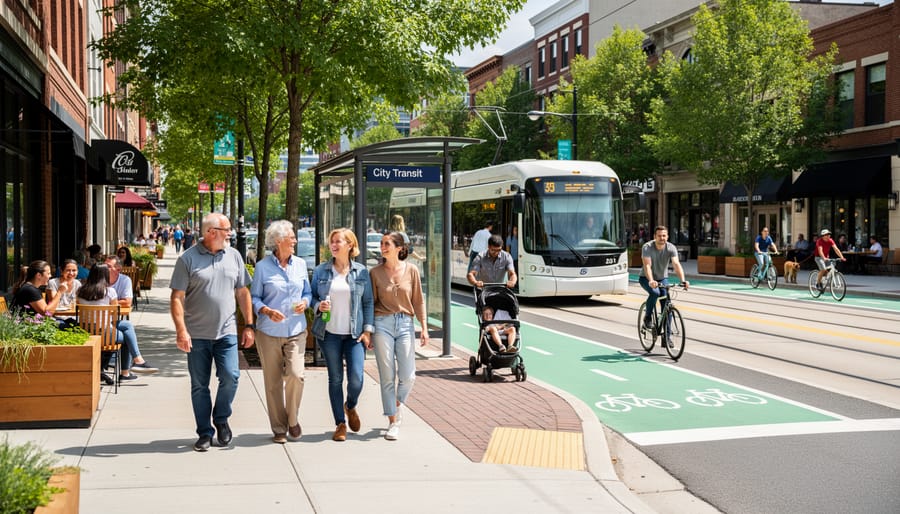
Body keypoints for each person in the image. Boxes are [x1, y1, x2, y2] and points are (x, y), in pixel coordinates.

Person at [170, 213, 255, 452]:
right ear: (211, 232)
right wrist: (181, 331)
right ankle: (204, 433)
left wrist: (249, 325)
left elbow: (242, 292)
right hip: (196, 334)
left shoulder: (234, 255)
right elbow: (177, 298)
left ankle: (221, 418)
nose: (231, 233)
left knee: (231, 376)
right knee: (200, 385)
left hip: (226, 332)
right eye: (226, 229)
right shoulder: (187, 259)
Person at [250, 220, 312, 444]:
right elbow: (254, 297)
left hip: (296, 329)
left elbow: (308, 292)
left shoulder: (301, 265)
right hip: (269, 332)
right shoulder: (262, 267)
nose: (295, 240)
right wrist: (265, 310)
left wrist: (305, 302)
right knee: (273, 381)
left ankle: (293, 420)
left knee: (297, 375)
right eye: (292, 237)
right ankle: (278, 427)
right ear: (278, 241)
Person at [310, 228, 374, 442]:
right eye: (332, 242)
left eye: (339, 241)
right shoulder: (321, 271)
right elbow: (310, 298)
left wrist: (367, 330)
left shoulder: (361, 271)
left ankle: (350, 405)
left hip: (354, 335)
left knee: (356, 377)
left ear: (350, 245)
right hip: (329, 334)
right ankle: (340, 423)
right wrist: (319, 305)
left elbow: (367, 303)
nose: (334, 245)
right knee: (335, 379)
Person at [370, 232, 429, 441]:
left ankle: (397, 403)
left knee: (408, 376)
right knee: (387, 376)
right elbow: (371, 303)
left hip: (405, 323)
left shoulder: (411, 270)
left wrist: (424, 326)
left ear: (399, 248)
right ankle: (393, 422)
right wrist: (368, 330)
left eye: (387, 244)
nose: (383, 247)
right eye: (382, 244)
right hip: (382, 323)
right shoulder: (375, 273)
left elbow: (419, 300)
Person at [639, 226, 689, 329]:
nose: (662, 238)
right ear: (654, 237)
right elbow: (647, 266)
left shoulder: (671, 248)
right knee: (655, 293)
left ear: (667, 236)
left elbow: (676, 264)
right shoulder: (647, 247)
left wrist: (683, 280)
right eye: (659, 236)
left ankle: (667, 337)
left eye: (664, 236)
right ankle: (647, 318)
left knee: (667, 305)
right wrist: (651, 280)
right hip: (646, 278)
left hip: (662, 278)